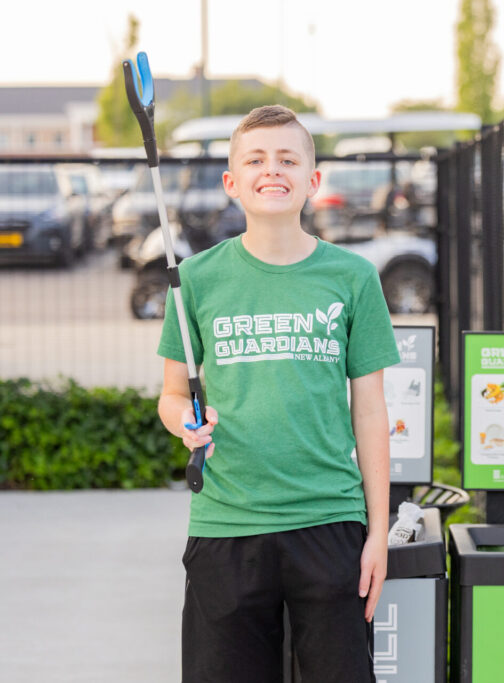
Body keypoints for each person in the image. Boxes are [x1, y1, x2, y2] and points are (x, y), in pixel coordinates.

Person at [157, 105, 398, 683]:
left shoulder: (353, 277)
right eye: (256, 160)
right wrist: (184, 423)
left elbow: (370, 412)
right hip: (226, 526)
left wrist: (378, 534)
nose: (273, 171)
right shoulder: (193, 280)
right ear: (232, 182)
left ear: (313, 180)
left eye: (288, 159)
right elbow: (169, 396)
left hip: (329, 521)